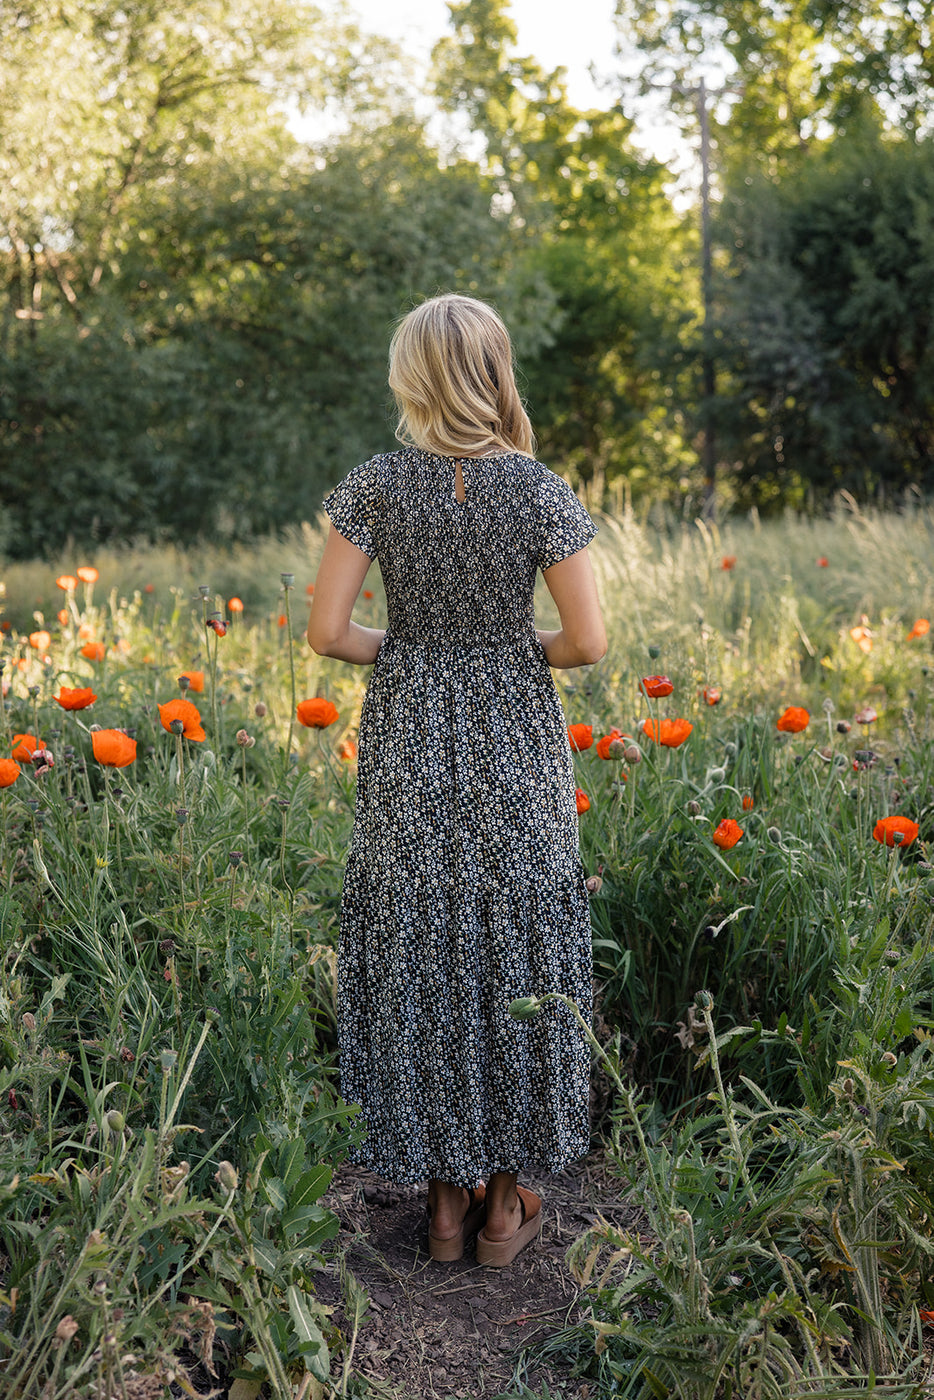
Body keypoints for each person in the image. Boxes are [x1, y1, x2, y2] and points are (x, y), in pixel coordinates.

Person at [307, 293, 606, 1267]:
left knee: (426, 943)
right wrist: (501, 650)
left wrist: (415, 650)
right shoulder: (540, 493)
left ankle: (441, 1207)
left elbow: (328, 632)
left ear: (411, 378)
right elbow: (588, 642)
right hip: (514, 736)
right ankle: (505, 1205)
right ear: (494, 371)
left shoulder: (372, 488)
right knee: (515, 944)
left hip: (407, 737)